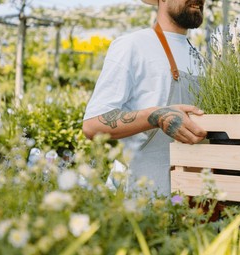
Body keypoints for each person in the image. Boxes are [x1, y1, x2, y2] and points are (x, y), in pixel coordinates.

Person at [82, 0, 207, 197]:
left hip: (189, 198)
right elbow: (92, 125)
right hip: (139, 197)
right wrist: (157, 115)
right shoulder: (132, 45)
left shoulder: (198, 56)